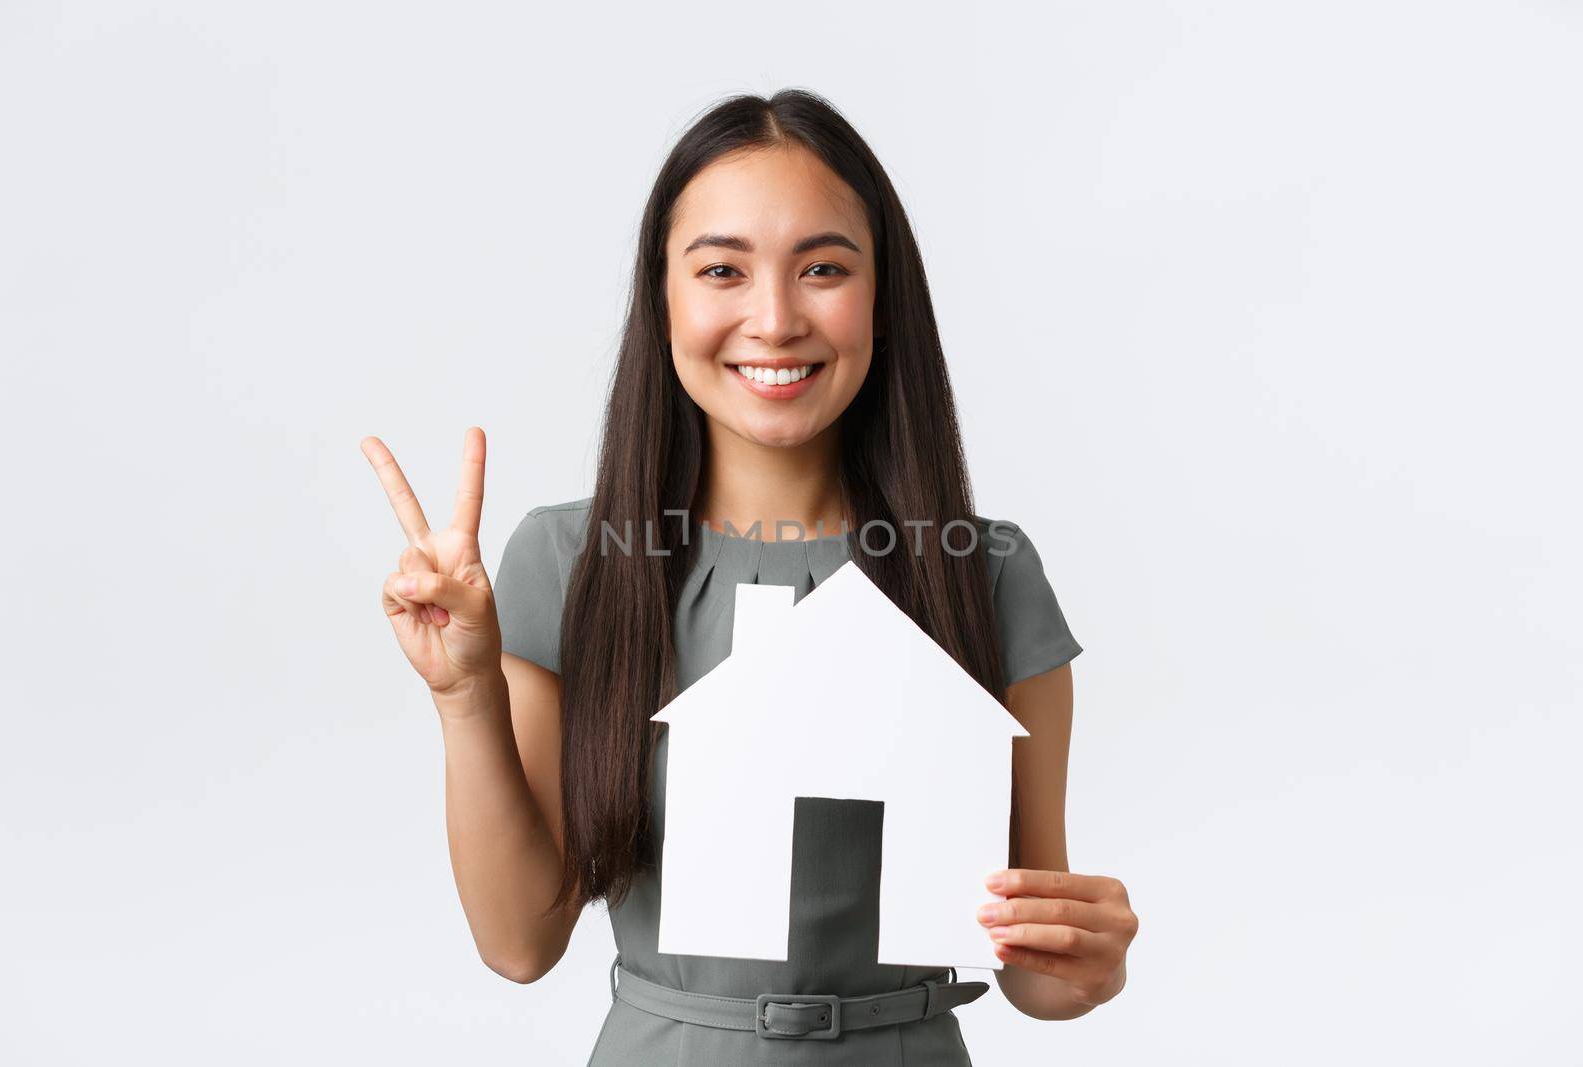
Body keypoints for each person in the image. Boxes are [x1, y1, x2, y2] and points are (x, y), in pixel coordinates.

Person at [361, 88, 1138, 1065]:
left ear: (883, 298)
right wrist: (465, 691)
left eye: (822, 268)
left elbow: (1030, 962)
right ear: (664, 297)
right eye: (722, 269)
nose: (773, 319)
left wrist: (1088, 959)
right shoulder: (573, 565)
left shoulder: (980, 576)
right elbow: (519, 942)